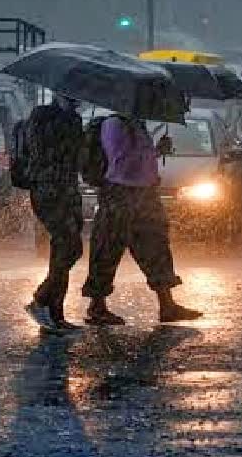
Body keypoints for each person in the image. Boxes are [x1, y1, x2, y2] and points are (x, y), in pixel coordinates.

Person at [82, 113, 202, 325]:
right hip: (120, 194)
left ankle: (167, 305)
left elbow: (137, 160)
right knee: (107, 249)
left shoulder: (138, 124)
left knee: (155, 247)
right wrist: (149, 153)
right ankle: (97, 306)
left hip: (145, 194)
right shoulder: (114, 125)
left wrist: (157, 151)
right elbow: (121, 162)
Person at [23, 93, 85, 333]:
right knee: (69, 246)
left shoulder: (75, 120)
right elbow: (42, 150)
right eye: (70, 97)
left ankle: (55, 313)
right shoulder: (42, 116)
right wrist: (70, 127)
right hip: (48, 189)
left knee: (65, 249)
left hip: (68, 189)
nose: (75, 100)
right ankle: (41, 300)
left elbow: (77, 158)